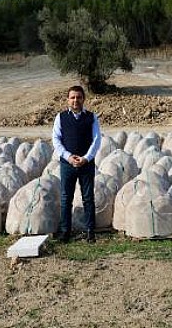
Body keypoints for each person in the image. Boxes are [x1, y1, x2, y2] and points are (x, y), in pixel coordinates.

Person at [52, 85, 101, 243]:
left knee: (88, 198)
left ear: (83, 99)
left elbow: (96, 139)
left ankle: (90, 232)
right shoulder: (60, 117)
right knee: (66, 198)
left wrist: (86, 158)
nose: (75, 100)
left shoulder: (91, 117)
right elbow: (56, 140)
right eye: (72, 97)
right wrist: (68, 157)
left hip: (86, 164)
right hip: (68, 164)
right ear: (68, 99)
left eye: (78, 97)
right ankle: (65, 231)